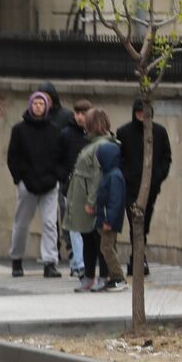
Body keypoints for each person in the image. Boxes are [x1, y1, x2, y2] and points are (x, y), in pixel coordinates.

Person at [5, 91, 63, 278]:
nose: (38, 106)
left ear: (47, 107)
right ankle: (16, 259)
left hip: (50, 184)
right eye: (35, 103)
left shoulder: (55, 130)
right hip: (27, 183)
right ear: (30, 105)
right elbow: (13, 157)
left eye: (42, 103)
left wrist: (56, 176)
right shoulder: (19, 130)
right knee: (21, 223)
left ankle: (50, 262)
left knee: (49, 224)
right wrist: (20, 178)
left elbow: (59, 157)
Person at [63, 109, 121, 293]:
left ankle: (103, 276)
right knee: (88, 238)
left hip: (90, 201)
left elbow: (97, 175)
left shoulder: (100, 146)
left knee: (97, 239)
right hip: (83, 198)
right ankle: (89, 276)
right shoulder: (96, 144)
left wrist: (91, 201)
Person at [116, 97, 172, 276]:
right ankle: (138, 259)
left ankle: (139, 257)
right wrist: (127, 177)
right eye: (138, 111)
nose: (141, 115)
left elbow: (166, 158)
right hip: (131, 187)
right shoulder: (123, 132)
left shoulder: (160, 132)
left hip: (151, 186)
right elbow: (119, 158)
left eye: (144, 112)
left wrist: (157, 177)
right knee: (135, 223)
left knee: (144, 223)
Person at [58, 100, 93, 278]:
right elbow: (58, 159)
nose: (80, 117)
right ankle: (80, 264)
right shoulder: (66, 134)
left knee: (86, 228)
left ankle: (79, 262)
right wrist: (64, 179)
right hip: (70, 187)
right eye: (77, 113)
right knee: (74, 227)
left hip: (90, 187)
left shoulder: (94, 134)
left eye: (83, 113)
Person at [93, 143, 129, 292]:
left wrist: (108, 220)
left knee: (106, 247)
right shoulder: (111, 174)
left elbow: (114, 201)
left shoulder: (114, 176)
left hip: (110, 220)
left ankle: (118, 277)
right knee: (108, 247)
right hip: (107, 218)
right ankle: (115, 276)